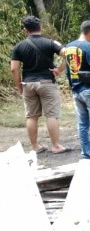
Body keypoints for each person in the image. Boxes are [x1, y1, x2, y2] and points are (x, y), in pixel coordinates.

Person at [9, 16, 67, 154]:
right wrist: (59, 69)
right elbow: (68, 55)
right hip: (47, 83)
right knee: (52, 115)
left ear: (25, 30)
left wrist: (19, 86)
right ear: (40, 28)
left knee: (31, 116)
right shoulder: (50, 43)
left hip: (28, 84)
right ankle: (55, 146)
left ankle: (35, 147)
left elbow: (14, 68)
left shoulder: (19, 46)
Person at [64, 20, 90, 159]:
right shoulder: (88, 47)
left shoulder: (69, 47)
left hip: (76, 89)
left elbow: (67, 70)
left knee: (82, 123)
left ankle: (86, 153)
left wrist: (72, 85)